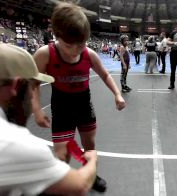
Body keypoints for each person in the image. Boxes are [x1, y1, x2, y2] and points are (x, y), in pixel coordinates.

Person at [0, 43, 98, 196]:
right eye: (32, 87)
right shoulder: (11, 142)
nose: (33, 95)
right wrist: (92, 160)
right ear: (16, 85)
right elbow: (79, 185)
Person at [31, 3, 126, 192]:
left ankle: (90, 175)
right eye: (68, 45)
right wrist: (36, 111)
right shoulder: (45, 54)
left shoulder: (88, 54)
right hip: (61, 106)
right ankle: (63, 182)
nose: (75, 50)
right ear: (56, 35)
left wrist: (117, 94)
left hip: (83, 105)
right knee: (62, 155)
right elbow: (33, 84)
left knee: (89, 146)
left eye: (81, 44)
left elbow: (105, 75)